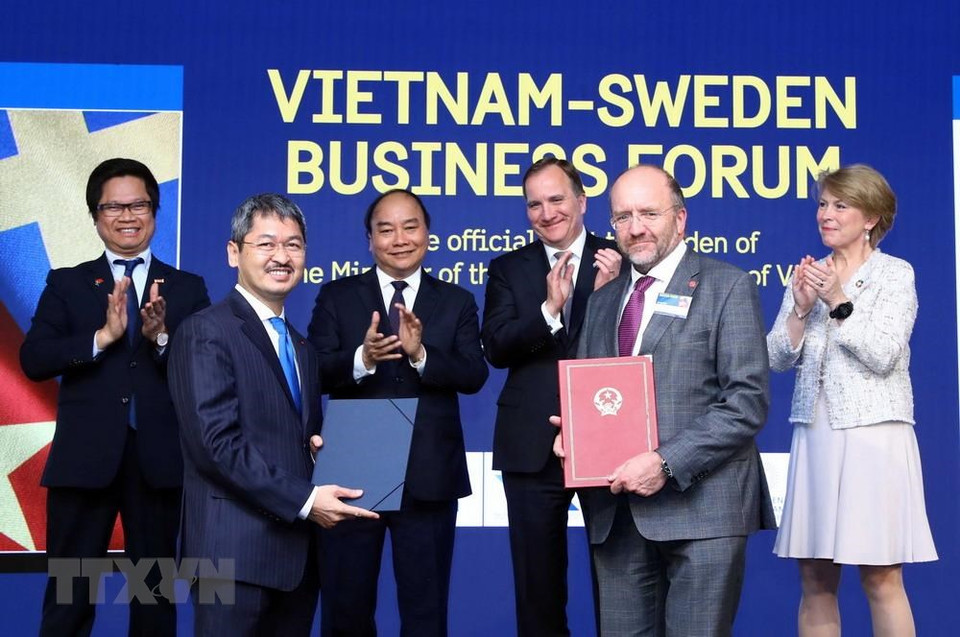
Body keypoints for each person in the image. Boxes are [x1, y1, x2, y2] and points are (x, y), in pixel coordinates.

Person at [555, 164, 775, 636]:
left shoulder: (726, 286)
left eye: (649, 213)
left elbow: (746, 401)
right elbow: (596, 395)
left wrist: (665, 462)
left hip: (703, 508)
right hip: (617, 514)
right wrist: (573, 437)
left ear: (680, 219)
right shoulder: (601, 301)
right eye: (622, 217)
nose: (635, 228)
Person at [167, 193, 378, 635]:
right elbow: (215, 446)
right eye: (266, 244)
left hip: (295, 559)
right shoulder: (206, 331)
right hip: (232, 555)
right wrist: (306, 502)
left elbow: (293, 436)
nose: (282, 256)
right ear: (233, 252)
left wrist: (320, 455)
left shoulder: (301, 346)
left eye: (294, 244)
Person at [19, 157, 210, 636]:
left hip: (158, 465)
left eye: (139, 204)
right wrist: (101, 339)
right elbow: (34, 360)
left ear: (155, 210)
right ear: (95, 215)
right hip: (85, 464)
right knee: (69, 598)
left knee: (154, 597)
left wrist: (161, 337)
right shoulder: (67, 283)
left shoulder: (188, 288)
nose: (128, 216)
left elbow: (204, 373)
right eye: (114, 207)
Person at [308, 188, 488, 636]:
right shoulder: (338, 296)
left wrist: (422, 353)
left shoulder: (457, 301)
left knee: (425, 612)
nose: (399, 238)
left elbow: (474, 375)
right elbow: (313, 371)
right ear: (369, 240)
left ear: (428, 234)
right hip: (353, 471)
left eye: (410, 226)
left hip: (427, 473)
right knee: (345, 607)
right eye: (385, 229)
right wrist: (362, 360)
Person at [767, 164, 937, 637]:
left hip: (873, 437)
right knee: (815, 578)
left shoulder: (894, 274)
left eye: (841, 205)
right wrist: (800, 310)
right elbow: (777, 357)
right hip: (816, 434)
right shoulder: (809, 274)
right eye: (823, 204)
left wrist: (838, 301)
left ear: (871, 218)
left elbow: (884, 353)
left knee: (882, 576)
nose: (827, 214)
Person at [481, 157, 621, 636]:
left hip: (609, 438)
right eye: (534, 204)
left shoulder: (619, 260)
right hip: (531, 443)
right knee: (537, 588)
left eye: (557, 200)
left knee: (621, 583)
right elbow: (496, 348)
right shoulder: (507, 269)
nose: (546, 213)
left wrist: (608, 299)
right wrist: (548, 310)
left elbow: (642, 348)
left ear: (582, 202)